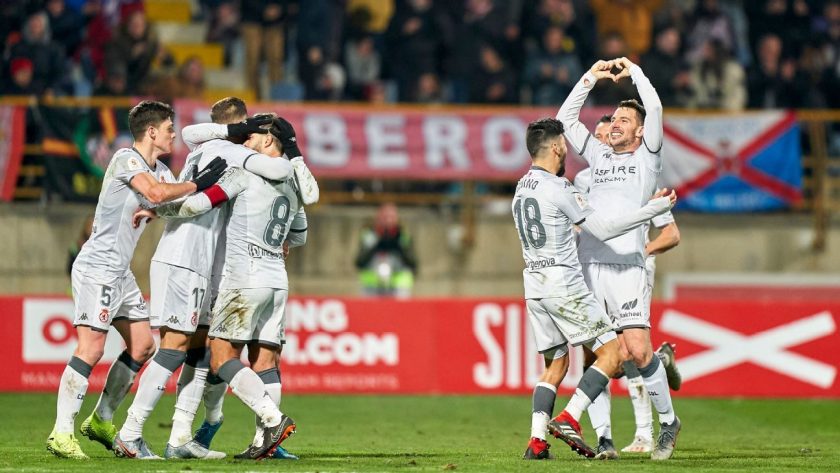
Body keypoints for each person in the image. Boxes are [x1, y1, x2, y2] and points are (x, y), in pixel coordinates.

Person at [47, 100, 227, 459]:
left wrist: (166, 207)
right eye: (170, 128)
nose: (174, 134)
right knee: (91, 349)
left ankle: (102, 419)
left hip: (121, 272)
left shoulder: (162, 171)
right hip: (97, 266)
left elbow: (173, 204)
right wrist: (197, 183)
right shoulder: (125, 159)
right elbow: (160, 193)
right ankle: (61, 433)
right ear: (152, 131)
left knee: (143, 346)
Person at [141, 115, 308, 460]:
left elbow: (199, 204)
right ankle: (264, 443)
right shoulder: (291, 181)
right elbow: (300, 234)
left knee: (219, 357)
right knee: (265, 360)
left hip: (242, 278)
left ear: (264, 140)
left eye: (250, 137)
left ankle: (271, 418)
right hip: (276, 280)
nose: (244, 142)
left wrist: (160, 210)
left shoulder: (241, 172)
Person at [515, 118, 676, 460]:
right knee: (613, 354)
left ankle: (536, 442)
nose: (568, 149)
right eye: (565, 144)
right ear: (556, 147)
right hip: (565, 284)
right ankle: (571, 417)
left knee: (555, 366)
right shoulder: (561, 188)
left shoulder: (521, 188)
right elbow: (603, 229)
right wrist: (652, 209)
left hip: (534, 285)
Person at [557, 57, 681, 460]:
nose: (614, 124)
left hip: (628, 267)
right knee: (597, 355)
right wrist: (590, 77)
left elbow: (655, 107)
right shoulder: (598, 156)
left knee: (639, 351)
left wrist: (636, 73)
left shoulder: (647, 159)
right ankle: (604, 438)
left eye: (624, 120)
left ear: (641, 131)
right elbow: (565, 119)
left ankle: (668, 423)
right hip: (590, 266)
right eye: (613, 119)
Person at [355, 203, 417, 298]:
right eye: (385, 217)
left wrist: (399, 246)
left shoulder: (403, 236)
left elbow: (412, 262)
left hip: (399, 288)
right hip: (371, 287)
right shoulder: (369, 235)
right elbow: (360, 261)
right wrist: (376, 243)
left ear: (397, 219)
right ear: (378, 218)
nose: (388, 220)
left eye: (391, 217)